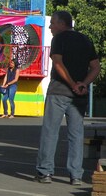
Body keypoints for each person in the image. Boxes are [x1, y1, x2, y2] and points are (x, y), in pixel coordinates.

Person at [35, 11, 100, 185]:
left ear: (63, 24)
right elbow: (95, 67)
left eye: (53, 23)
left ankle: (45, 172)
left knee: (50, 132)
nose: (50, 27)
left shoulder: (59, 39)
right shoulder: (85, 40)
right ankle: (76, 175)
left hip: (59, 91)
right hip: (79, 95)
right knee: (76, 134)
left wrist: (72, 84)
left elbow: (57, 62)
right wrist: (83, 84)